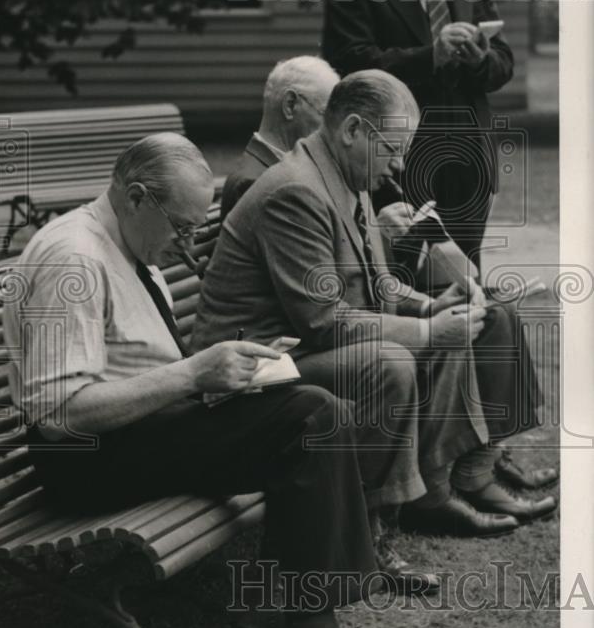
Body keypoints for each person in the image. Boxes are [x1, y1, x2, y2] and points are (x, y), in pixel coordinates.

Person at [2, 132, 422, 628]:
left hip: (136, 430)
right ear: (135, 197)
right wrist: (193, 376)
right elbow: (58, 412)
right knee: (312, 417)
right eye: (180, 226)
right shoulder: (73, 258)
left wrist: (216, 384)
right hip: (84, 455)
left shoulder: (119, 240)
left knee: (322, 412)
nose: (187, 243)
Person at [192, 71, 556, 538]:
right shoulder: (295, 190)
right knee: (390, 361)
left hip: (300, 346)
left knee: (446, 330)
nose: (401, 165)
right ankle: (371, 530)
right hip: (253, 366)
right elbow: (322, 321)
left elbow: (379, 285)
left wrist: (430, 306)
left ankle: (433, 493)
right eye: (394, 148)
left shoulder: (346, 175)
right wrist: (428, 331)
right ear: (353, 131)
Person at [323, 0, 514, 274]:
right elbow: (349, 66)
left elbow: (503, 64)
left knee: (466, 283)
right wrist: (431, 56)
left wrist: (479, 59)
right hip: (396, 163)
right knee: (399, 278)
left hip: (468, 163)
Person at [221, 56, 340, 219]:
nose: (332, 131)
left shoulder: (271, 171)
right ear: (290, 105)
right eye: (325, 115)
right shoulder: (255, 183)